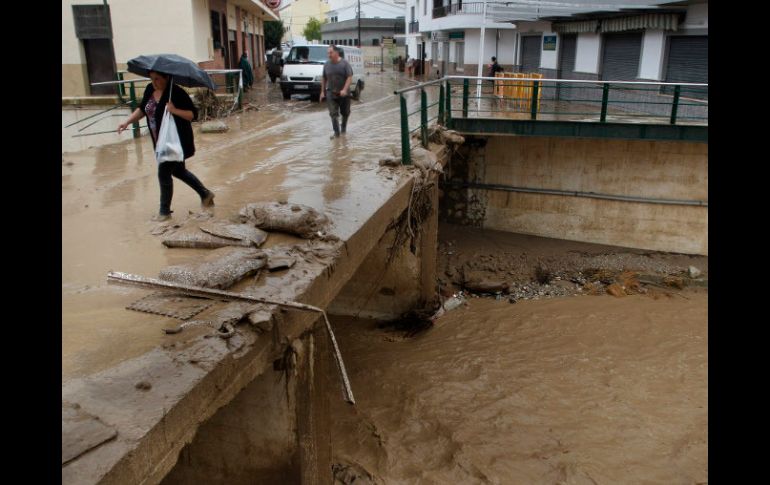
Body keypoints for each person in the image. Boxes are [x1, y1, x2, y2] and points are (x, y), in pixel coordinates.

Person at [117, 71, 215, 221]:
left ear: (167, 77)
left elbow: (192, 115)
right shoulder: (150, 89)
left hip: (176, 141)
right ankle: (205, 194)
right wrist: (127, 122)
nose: (154, 82)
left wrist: (174, 110)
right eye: (152, 79)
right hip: (160, 141)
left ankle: (164, 213)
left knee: (164, 172)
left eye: (157, 79)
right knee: (179, 171)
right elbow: (143, 109)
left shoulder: (176, 92)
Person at [320, 45, 353, 139]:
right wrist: (322, 92)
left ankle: (343, 129)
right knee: (333, 114)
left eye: (331, 52)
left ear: (336, 53)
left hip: (344, 94)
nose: (329, 55)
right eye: (328, 53)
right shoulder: (326, 64)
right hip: (331, 93)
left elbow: (349, 77)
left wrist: (345, 89)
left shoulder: (345, 64)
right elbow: (324, 78)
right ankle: (337, 134)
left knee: (345, 113)